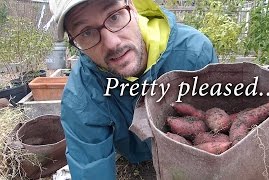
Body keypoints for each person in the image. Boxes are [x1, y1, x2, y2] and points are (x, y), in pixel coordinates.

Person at [49, 0, 218, 179]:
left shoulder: (194, 54)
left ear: (133, 6)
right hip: (132, 154)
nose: (112, 43)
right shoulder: (80, 95)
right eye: (86, 32)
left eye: (114, 17)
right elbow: (89, 166)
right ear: (73, 41)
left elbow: (214, 133)